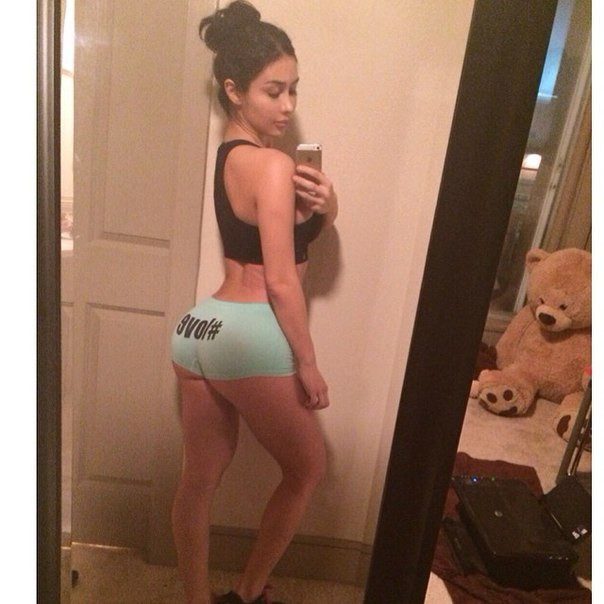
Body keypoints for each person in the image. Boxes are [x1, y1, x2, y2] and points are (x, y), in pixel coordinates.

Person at [170, 2, 338, 602]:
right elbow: (281, 280)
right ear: (234, 90)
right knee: (308, 469)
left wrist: (325, 208)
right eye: (273, 91)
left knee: (198, 480)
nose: (287, 105)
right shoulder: (271, 164)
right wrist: (308, 362)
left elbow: (265, 241)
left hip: (200, 329)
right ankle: (246, 595)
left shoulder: (230, 156)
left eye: (294, 89)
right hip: (250, 332)